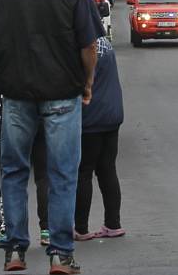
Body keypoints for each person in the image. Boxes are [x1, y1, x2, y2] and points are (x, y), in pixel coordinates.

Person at [0, 0, 102, 275]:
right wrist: (86, 81)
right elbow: (88, 45)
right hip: (63, 93)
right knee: (62, 173)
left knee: (14, 171)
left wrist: (3, 63)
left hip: (15, 94)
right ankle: (60, 255)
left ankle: (14, 250)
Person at [0, 70, 50, 249]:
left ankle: (9, 231)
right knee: (45, 175)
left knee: (12, 175)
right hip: (45, 113)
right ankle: (48, 230)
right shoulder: (45, 42)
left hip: (16, 115)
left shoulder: (3, 44)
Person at [74, 35, 125, 241]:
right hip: (112, 113)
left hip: (90, 116)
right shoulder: (105, 42)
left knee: (84, 172)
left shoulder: (84, 46)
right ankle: (113, 224)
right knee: (107, 169)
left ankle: (81, 228)